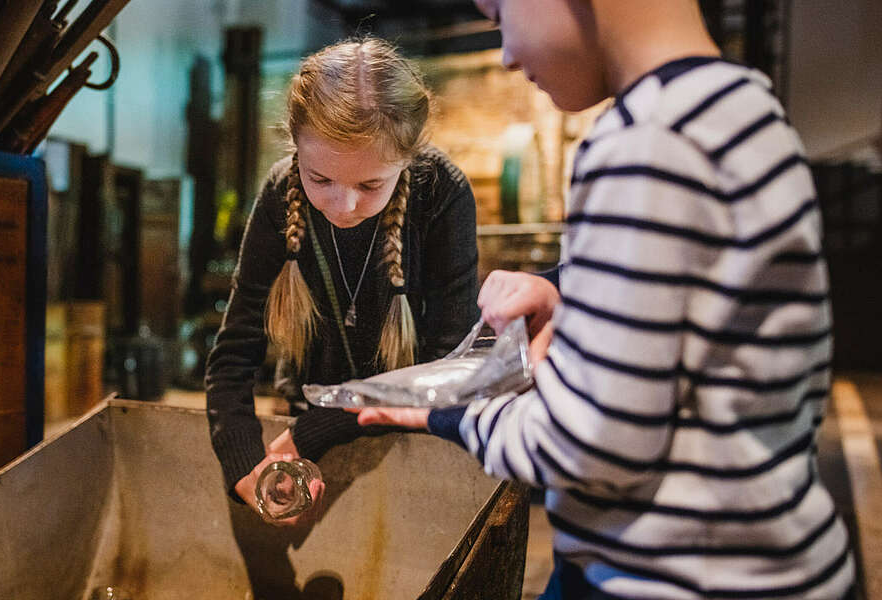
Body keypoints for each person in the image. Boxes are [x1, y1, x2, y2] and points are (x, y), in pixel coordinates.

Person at [355, 0, 855, 598]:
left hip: (670, 578)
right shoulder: (742, 107)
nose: (507, 53)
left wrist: (452, 414)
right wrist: (570, 307)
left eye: (498, 9)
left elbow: (589, 443)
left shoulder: (644, 143)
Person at [206, 37, 479, 524]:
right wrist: (244, 464)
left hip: (414, 428)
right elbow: (234, 352)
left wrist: (319, 431)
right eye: (320, 179)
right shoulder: (278, 193)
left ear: (407, 159)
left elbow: (450, 364)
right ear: (296, 149)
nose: (342, 205)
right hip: (305, 413)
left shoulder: (443, 193)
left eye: (370, 185)